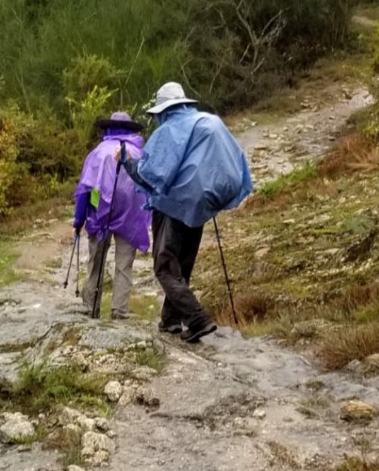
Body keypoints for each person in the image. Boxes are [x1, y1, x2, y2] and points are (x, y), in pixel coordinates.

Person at [119, 82, 253, 343]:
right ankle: (170, 321)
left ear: (164, 111)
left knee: (165, 267)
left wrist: (126, 160)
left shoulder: (170, 130)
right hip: (202, 204)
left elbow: (149, 176)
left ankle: (197, 319)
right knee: (182, 264)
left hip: (174, 205)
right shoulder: (209, 121)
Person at [72, 110, 150, 319]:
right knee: (124, 265)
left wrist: (78, 220)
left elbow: (86, 189)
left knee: (96, 260)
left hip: (100, 214)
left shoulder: (98, 152)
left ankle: (90, 307)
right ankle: (119, 311)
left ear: (108, 128)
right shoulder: (138, 153)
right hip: (131, 216)